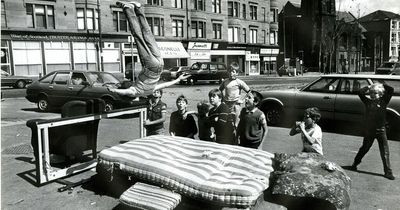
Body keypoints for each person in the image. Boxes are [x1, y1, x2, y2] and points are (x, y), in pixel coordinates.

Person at [108, 1, 190, 97]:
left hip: (160, 65)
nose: (128, 84)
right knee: (139, 36)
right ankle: (127, 8)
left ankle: (138, 8)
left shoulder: (150, 91)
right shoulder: (136, 92)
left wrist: (178, 79)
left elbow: (165, 84)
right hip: (150, 66)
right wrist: (113, 90)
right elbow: (125, 92)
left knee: (149, 35)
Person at [350, 83, 395, 180]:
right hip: (370, 130)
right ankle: (354, 164)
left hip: (381, 130)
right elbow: (360, 93)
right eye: (371, 93)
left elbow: (391, 89)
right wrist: (369, 87)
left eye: (375, 93)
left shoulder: (384, 101)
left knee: (385, 151)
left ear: (380, 94)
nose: (372, 95)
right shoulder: (368, 102)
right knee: (364, 148)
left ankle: (388, 172)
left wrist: (382, 83)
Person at [219, 62, 251, 127]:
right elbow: (220, 90)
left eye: (233, 71)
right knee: (227, 122)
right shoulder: (225, 81)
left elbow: (249, 92)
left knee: (236, 124)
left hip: (236, 104)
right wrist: (222, 99)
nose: (231, 73)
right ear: (227, 72)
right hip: (227, 103)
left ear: (237, 73)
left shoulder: (239, 82)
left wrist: (242, 100)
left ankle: (237, 135)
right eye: (229, 71)